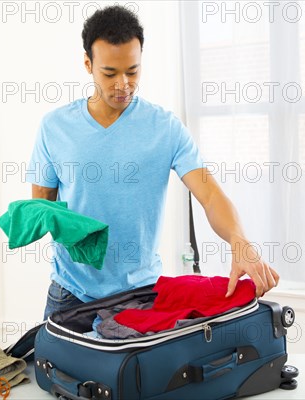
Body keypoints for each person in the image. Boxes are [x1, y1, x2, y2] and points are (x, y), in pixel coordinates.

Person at [26, 5, 279, 320]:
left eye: (132, 71)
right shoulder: (54, 127)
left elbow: (210, 195)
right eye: (109, 73)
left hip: (141, 296)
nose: (123, 84)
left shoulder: (165, 128)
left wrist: (239, 240)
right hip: (70, 296)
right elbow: (42, 207)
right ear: (88, 65)